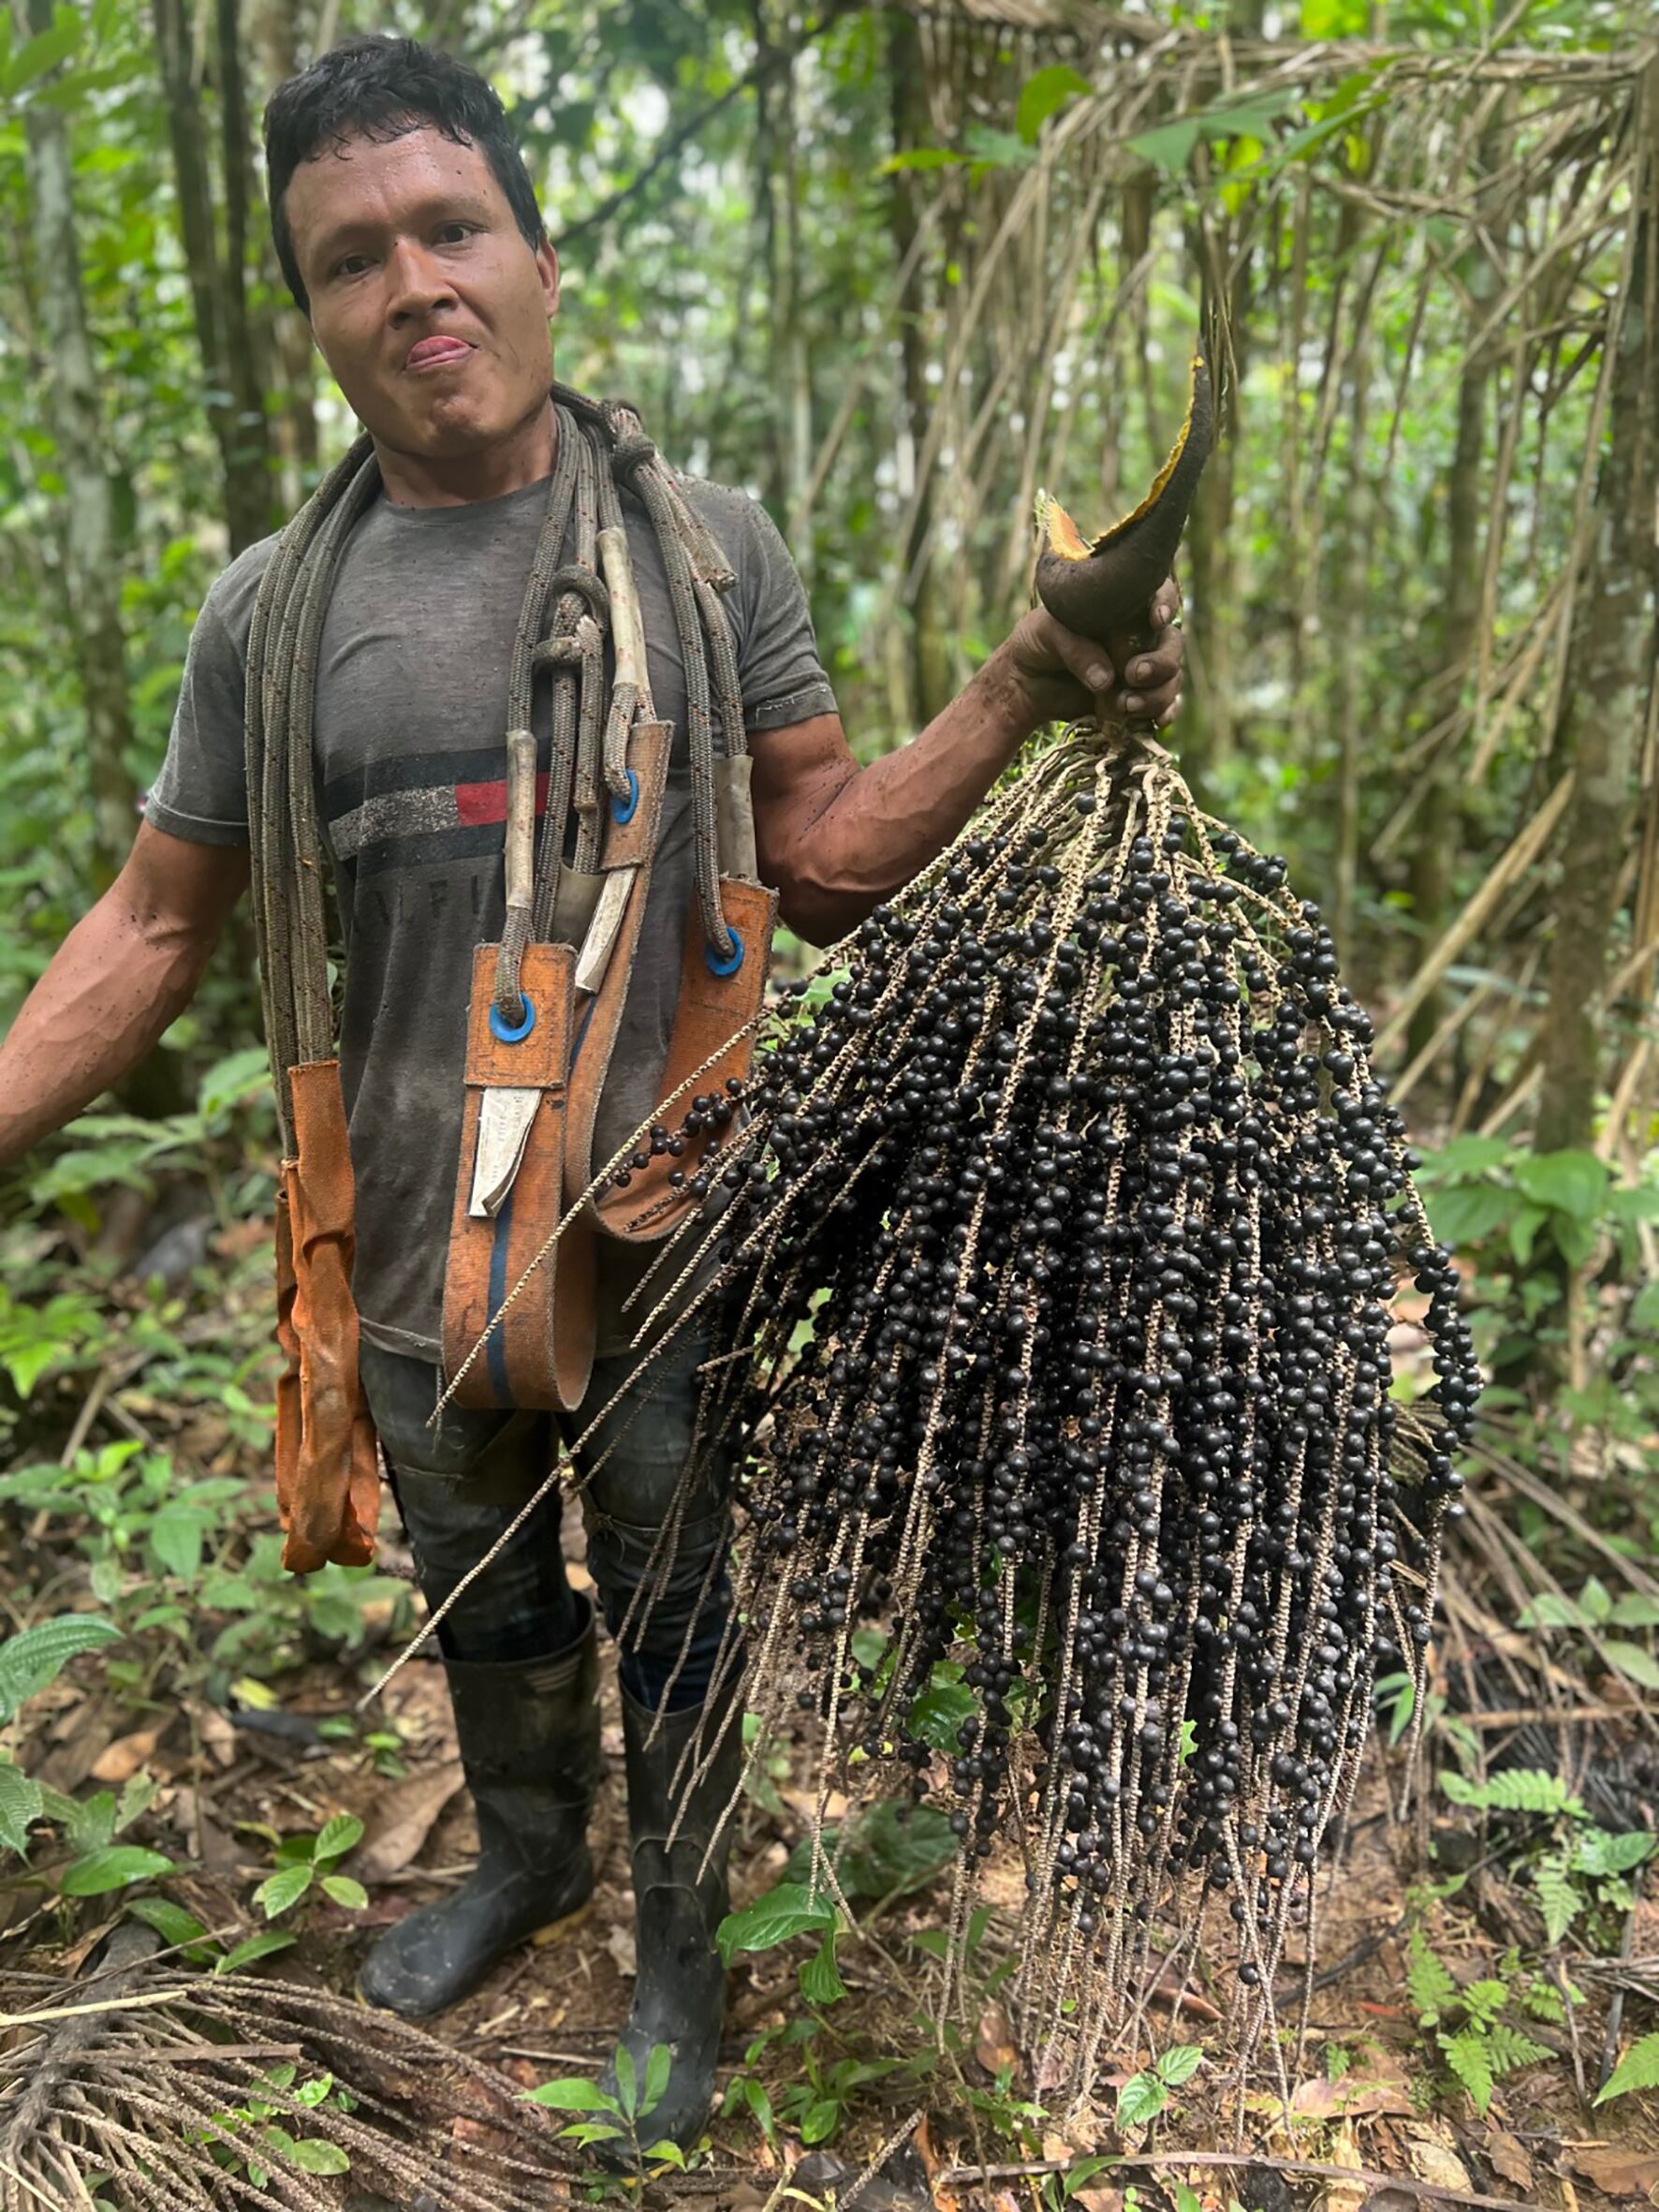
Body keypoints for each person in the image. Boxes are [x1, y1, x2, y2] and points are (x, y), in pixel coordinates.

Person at [0, 35, 1183, 2148]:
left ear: (539, 260)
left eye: (451, 228)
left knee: (675, 1595)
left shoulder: (704, 549)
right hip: (406, 1249)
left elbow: (820, 858)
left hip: (656, 1217)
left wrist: (1023, 677)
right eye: (351, 258)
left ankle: (676, 1944)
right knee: (488, 1588)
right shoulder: (271, 617)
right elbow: (153, 929)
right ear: (315, 317)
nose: (412, 282)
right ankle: (530, 1851)